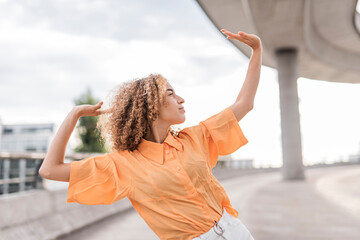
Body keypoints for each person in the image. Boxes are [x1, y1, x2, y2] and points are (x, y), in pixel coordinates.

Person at [39, 29, 262, 240]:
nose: (181, 99)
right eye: (171, 93)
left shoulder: (195, 138)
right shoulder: (124, 165)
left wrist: (257, 51)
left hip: (236, 231)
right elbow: (50, 169)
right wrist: (74, 114)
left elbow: (245, 103)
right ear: (151, 106)